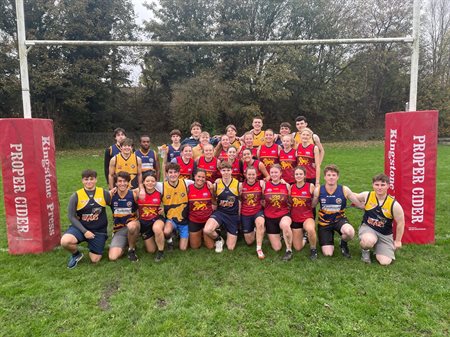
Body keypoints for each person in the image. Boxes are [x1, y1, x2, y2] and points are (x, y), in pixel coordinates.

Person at [61, 169, 113, 269]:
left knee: (95, 260)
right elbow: (71, 216)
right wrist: (84, 231)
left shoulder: (103, 193)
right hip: (81, 229)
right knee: (65, 241)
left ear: (96, 180)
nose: (89, 181)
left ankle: (96, 242)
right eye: (86, 179)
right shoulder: (76, 196)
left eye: (91, 179)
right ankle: (76, 254)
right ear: (82, 181)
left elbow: (114, 206)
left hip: (98, 231)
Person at [313, 164, 363, 258]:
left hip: (339, 220)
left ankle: (343, 243)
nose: (331, 177)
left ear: (337, 177)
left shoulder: (345, 190)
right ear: (325, 177)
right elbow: (312, 205)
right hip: (324, 223)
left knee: (350, 232)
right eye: (329, 175)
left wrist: (371, 204)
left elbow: (358, 204)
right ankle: (327, 238)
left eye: (333, 175)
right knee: (328, 254)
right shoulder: (318, 190)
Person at [355, 173, 405, 265]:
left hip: (384, 234)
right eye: (377, 185)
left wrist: (398, 241)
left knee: (385, 262)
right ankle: (365, 251)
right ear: (373, 185)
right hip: (368, 228)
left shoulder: (394, 204)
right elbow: (353, 196)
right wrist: (341, 191)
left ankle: (380, 247)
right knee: (368, 241)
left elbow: (401, 223)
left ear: (388, 186)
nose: (379, 187)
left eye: (383, 185)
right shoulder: (367, 195)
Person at [204, 161, 241, 252]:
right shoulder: (216, 184)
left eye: (228, 170)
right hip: (220, 213)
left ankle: (224, 230)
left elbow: (240, 201)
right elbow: (213, 199)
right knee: (207, 230)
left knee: (230, 248)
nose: (226, 172)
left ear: (232, 171)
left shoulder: (238, 185)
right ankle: (218, 239)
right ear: (220, 171)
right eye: (224, 170)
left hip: (232, 215)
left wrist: (239, 216)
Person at [158, 162, 193, 251]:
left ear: (179, 173)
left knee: (183, 249)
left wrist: (209, 183)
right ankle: (170, 241)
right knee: (166, 231)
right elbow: (146, 184)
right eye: (170, 172)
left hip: (184, 221)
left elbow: (200, 182)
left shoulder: (186, 183)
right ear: (166, 174)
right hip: (171, 220)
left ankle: (178, 233)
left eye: (175, 172)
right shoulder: (161, 186)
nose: (173, 174)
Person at [263, 164, 293, 261]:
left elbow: (290, 201)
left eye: (276, 172)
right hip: (270, 217)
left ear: (280, 173)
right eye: (272, 172)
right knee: (277, 248)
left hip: (283, 214)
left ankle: (289, 250)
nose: (274, 174)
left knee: (285, 225)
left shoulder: (286, 185)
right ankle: (281, 235)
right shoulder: (264, 185)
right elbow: (262, 200)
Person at [109, 171, 140, 262]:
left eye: (125, 181)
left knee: (131, 226)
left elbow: (141, 208)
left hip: (133, 224)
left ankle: (131, 250)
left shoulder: (133, 194)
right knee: (113, 257)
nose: (122, 183)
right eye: (120, 181)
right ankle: (126, 242)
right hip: (119, 229)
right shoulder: (111, 195)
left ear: (128, 182)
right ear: (116, 183)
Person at [137, 171, 166, 262]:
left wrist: (164, 208)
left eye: (153, 181)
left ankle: (161, 251)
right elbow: (124, 192)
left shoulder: (160, 193)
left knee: (157, 229)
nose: (150, 183)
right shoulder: (137, 192)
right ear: (143, 182)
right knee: (151, 250)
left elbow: (170, 201)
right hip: (144, 223)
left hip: (157, 219)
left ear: (156, 182)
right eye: (147, 181)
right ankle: (156, 237)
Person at [290, 166, 318, 260]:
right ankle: (305, 238)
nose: (298, 176)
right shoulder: (291, 187)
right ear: (294, 176)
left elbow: (316, 201)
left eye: (300, 174)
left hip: (307, 216)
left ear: (305, 175)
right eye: (296, 174)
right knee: (297, 248)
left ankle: (313, 249)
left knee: (310, 229)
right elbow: (289, 203)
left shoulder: (310, 186)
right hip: (295, 218)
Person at [241, 165, 266, 259]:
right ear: (245, 175)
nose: (251, 176)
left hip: (257, 211)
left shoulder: (261, 184)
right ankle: (256, 230)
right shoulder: (241, 185)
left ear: (256, 175)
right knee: (249, 241)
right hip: (246, 213)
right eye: (249, 174)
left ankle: (259, 248)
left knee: (260, 223)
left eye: (253, 174)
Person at [187, 169, 215, 249]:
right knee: (195, 246)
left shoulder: (209, 187)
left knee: (210, 247)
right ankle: (200, 234)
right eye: (199, 176)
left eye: (203, 177)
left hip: (207, 219)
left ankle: (208, 232)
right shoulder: (189, 188)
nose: (201, 179)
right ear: (194, 176)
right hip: (194, 220)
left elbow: (214, 202)